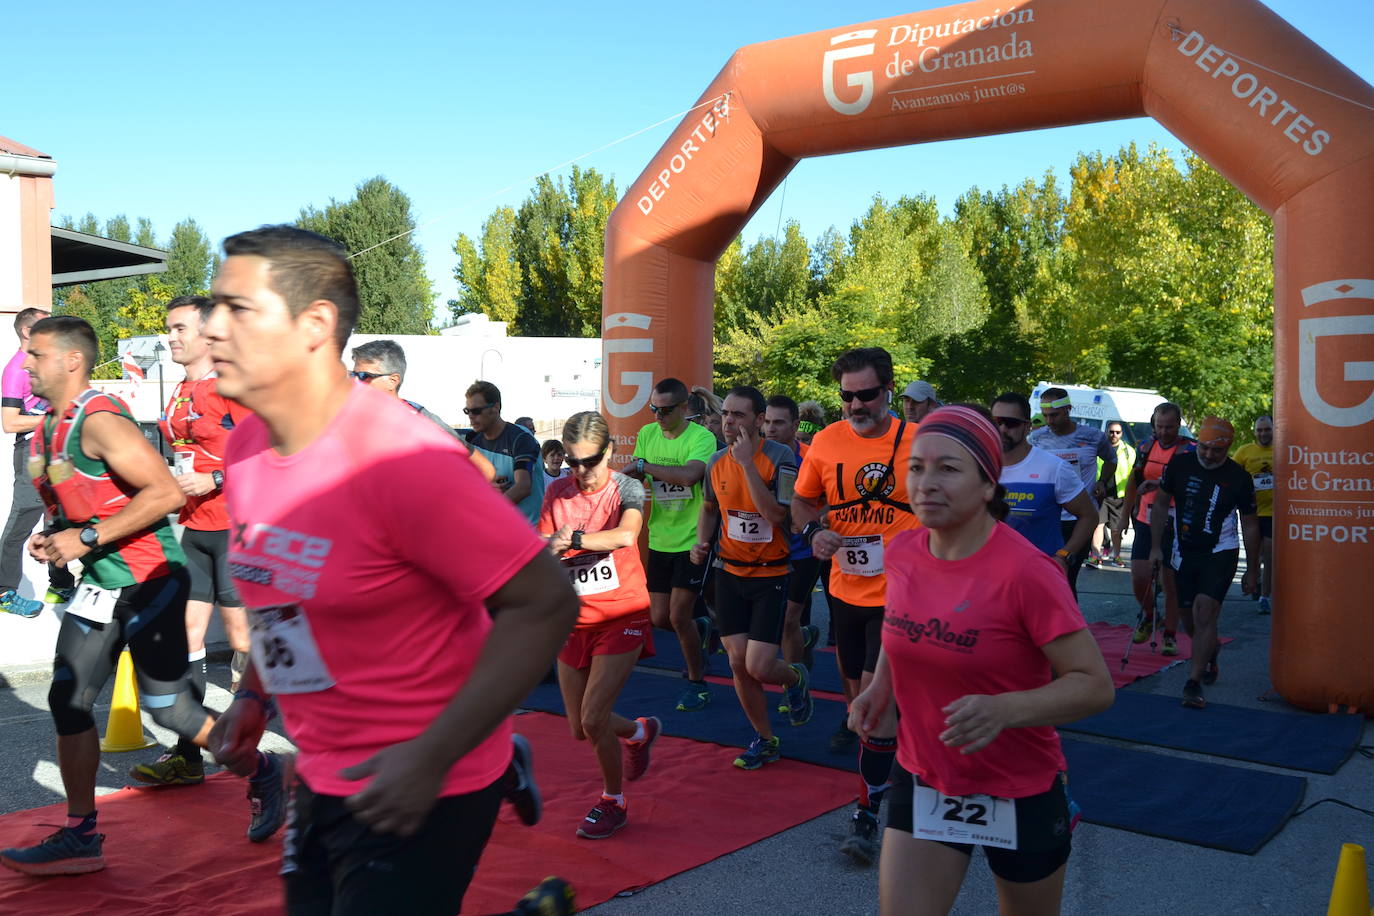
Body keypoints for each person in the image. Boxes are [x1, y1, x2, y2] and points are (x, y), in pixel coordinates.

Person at [202, 226, 577, 915]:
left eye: (238, 309)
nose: (211, 329)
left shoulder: (401, 458)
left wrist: (433, 754)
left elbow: (546, 602)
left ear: (315, 324)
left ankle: (498, 764)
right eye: (211, 307)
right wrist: (253, 696)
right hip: (324, 767)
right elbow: (282, 588)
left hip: (424, 777)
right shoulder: (248, 443)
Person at [0, 316, 263, 876]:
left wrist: (86, 537)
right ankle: (80, 835)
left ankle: (265, 773)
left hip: (150, 583)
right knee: (67, 701)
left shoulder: (99, 418)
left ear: (72, 361)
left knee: (171, 709)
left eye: (37, 354)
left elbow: (164, 490)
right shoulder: (50, 426)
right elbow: (79, 498)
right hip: (101, 588)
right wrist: (55, 535)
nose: (27, 363)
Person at [850, 405, 1114, 916]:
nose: (926, 482)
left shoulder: (1028, 574)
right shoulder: (904, 550)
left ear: (989, 485)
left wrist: (1003, 710)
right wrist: (881, 686)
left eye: (948, 469)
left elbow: (1094, 685)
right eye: (916, 467)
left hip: (1019, 787)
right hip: (927, 774)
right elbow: (900, 624)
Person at [130, 296, 288, 820]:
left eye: (180, 329)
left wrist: (217, 477)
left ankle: (266, 751)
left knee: (244, 641)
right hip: (193, 529)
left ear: (207, 333)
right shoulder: (178, 390)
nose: (171, 337)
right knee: (188, 641)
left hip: (236, 530)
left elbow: (273, 453)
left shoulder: (231, 385)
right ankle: (186, 756)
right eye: (168, 328)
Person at [792, 347, 918, 866]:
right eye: (846, 396)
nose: (855, 405)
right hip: (845, 591)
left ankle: (869, 812)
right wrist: (815, 530)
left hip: (905, 595)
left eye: (865, 395)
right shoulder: (825, 441)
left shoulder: (920, 442)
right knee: (860, 706)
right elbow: (803, 501)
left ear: (888, 389)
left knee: (873, 701)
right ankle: (893, 763)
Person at [542, 410, 661, 838]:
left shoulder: (627, 486)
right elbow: (542, 545)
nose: (580, 471)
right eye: (571, 461)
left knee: (594, 718)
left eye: (589, 462)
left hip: (622, 612)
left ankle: (614, 801)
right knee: (578, 728)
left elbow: (626, 535)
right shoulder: (557, 490)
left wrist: (571, 540)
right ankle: (639, 730)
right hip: (574, 619)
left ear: (608, 452)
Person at [692, 386, 811, 769]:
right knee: (737, 663)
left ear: (759, 421)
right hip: (729, 572)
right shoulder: (714, 461)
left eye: (738, 415)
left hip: (771, 574)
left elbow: (779, 517)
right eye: (725, 414)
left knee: (760, 666)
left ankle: (794, 677)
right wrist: (701, 541)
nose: (728, 421)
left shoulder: (782, 458)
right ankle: (765, 737)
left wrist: (745, 464)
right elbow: (709, 507)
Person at [1150, 417, 1259, 710]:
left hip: (1221, 550)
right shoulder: (1180, 464)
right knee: (1189, 619)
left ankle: (1193, 683)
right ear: (1198, 442)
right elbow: (1160, 505)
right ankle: (1209, 652)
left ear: (1228, 449)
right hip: (1183, 550)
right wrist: (1155, 549)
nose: (1210, 456)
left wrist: (1251, 568)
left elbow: (1249, 525)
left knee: (1205, 612)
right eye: (1206, 449)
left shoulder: (1239, 477)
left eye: (1218, 452)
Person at [624, 377, 718, 712]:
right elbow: (632, 474)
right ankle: (701, 629)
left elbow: (689, 476)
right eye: (653, 409)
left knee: (678, 617)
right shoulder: (648, 435)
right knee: (659, 617)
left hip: (693, 539)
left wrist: (644, 466)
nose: (657, 416)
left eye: (664, 410)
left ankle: (697, 683)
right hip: (661, 535)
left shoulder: (701, 437)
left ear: (683, 408)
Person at [0, 306, 73, 617]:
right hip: (31, 453)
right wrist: (48, 417)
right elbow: (10, 422)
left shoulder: (44, 363)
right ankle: (4, 592)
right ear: (27, 333)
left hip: (55, 449)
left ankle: (61, 582)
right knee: (22, 522)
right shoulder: (16, 370)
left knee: (60, 517)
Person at [350, 340, 497, 482]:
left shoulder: (423, 420)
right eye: (353, 375)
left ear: (393, 381)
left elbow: (485, 469)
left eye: (364, 376)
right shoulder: (348, 418)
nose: (355, 382)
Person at [991, 394, 1098, 578]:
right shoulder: (980, 466)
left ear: (1027, 426)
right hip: (990, 573)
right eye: (996, 422)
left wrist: (1063, 555)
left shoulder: (1053, 468)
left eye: (1011, 423)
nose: (1002, 429)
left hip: (1037, 577)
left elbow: (1089, 516)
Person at [1028, 388, 1116, 597]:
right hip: (1048, 517)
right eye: (1046, 415)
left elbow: (1111, 460)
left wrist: (1103, 481)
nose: (1049, 421)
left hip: (1080, 519)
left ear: (1068, 409)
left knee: (1066, 577)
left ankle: (1069, 627)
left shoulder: (1092, 436)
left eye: (1054, 415)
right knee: (1042, 578)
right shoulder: (1036, 439)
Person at [1123, 403, 1195, 656]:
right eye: (1159, 426)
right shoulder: (1145, 446)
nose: (1164, 432)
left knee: (1170, 581)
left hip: (1175, 521)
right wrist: (1124, 517)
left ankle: (1170, 635)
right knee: (1139, 576)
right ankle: (1151, 615)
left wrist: (1162, 483)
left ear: (1179, 424)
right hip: (1146, 518)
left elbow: (1193, 485)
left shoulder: (1189, 449)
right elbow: (1134, 481)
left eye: (1169, 427)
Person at [763, 395, 821, 668]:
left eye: (778, 422)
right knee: (783, 621)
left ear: (795, 424)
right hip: (767, 549)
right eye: (766, 422)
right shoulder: (757, 454)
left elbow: (835, 498)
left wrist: (812, 520)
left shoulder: (813, 457)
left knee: (789, 618)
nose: (770, 428)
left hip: (804, 550)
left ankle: (795, 680)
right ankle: (804, 640)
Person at [464, 380, 545, 524]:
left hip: (526, 532)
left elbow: (523, 486)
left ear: (495, 407)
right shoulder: (472, 440)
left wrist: (487, 512)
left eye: (476, 411)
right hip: (496, 529)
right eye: (467, 411)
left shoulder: (521, 439)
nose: (471, 416)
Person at [1232, 416, 1275, 614]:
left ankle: (1265, 597)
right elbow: (1231, 474)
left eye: (1267, 430)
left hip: (1274, 512)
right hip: (1251, 512)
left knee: (1270, 553)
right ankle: (1254, 579)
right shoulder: (1245, 451)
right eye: (1260, 430)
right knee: (1254, 553)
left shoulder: (1283, 449)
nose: (1263, 433)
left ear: (1274, 429)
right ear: (1254, 431)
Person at [1086, 421, 1135, 569]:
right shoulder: (1097, 448)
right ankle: (1095, 556)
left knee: (1116, 529)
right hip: (1099, 494)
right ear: (1106, 431)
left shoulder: (1129, 451)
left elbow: (1133, 473)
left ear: (1121, 434)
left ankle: (1117, 556)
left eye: (1118, 432)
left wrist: (1131, 495)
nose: (1114, 435)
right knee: (1098, 525)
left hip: (1118, 495)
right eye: (1111, 431)